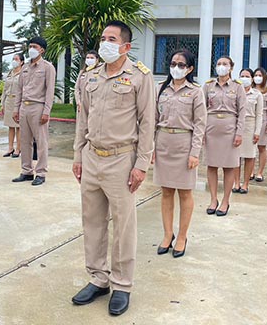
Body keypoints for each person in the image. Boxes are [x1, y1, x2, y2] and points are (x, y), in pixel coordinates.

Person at [71, 20, 155, 316]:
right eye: (103, 37)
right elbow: (83, 117)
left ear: (125, 46)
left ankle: (121, 284)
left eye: (111, 38)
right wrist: (78, 155)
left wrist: (141, 164)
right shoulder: (90, 77)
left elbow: (147, 123)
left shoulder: (140, 77)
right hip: (92, 156)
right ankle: (98, 278)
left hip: (122, 159)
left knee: (123, 226)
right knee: (92, 221)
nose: (104, 42)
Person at [153, 50, 206, 258]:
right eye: (173, 63)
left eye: (181, 65)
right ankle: (168, 234)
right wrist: (150, 149)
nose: (176, 68)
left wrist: (195, 152)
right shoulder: (160, 89)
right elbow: (152, 120)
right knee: (166, 192)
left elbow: (200, 124)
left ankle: (182, 236)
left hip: (184, 145)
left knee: (185, 193)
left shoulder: (195, 91)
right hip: (163, 143)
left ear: (190, 69)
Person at [202, 56, 246, 216]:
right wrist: (201, 132)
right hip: (211, 128)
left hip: (230, 129)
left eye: (225, 64)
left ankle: (225, 201)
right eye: (219, 64)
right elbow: (201, 109)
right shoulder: (208, 86)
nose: (221, 66)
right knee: (211, 165)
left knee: (229, 167)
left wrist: (239, 133)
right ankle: (213, 199)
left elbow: (242, 111)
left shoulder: (237, 87)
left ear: (231, 68)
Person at [12, 37, 56, 186]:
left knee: (41, 141)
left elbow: (50, 90)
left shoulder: (47, 67)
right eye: (30, 46)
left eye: (35, 46)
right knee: (24, 140)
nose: (31, 49)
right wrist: (16, 108)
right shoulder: (25, 67)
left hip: (38, 107)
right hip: (24, 106)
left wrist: (46, 111)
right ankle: (26, 171)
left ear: (42, 50)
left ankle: (41, 173)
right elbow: (19, 89)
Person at [233, 68, 262, 194]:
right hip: (236, 126)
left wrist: (257, 131)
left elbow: (259, 114)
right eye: (242, 76)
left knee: (249, 156)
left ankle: (245, 184)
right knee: (236, 156)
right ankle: (236, 183)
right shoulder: (234, 92)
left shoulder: (257, 95)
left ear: (251, 79)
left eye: (247, 76)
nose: (244, 78)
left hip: (250, 126)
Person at [252, 67, 267, 182]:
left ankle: (259, 172)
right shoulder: (249, 90)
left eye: (260, 75)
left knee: (261, 147)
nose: (257, 77)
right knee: (250, 148)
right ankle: (250, 171)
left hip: (263, 121)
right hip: (250, 120)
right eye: (256, 75)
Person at [1, 53, 23, 158]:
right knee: (10, 126)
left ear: (21, 62)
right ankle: (10, 148)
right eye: (13, 59)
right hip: (8, 101)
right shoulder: (10, 73)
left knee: (18, 127)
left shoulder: (23, 74)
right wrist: (2, 103)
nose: (14, 61)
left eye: (16, 59)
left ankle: (18, 149)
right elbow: (4, 90)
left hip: (18, 102)